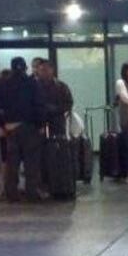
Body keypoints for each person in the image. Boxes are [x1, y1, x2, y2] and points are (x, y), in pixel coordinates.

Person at [0, 56, 43, 202]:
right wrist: (40, 125)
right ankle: (31, 192)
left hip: (10, 129)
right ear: (26, 67)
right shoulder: (32, 83)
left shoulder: (4, 84)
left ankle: (11, 193)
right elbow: (39, 105)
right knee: (31, 162)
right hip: (29, 127)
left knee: (12, 163)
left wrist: (2, 124)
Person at [35, 58, 75, 197]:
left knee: (59, 156)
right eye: (40, 70)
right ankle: (43, 185)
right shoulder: (34, 86)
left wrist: (54, 110)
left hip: (57, 125)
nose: (43, 72)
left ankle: (60, 186)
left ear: (52, 70)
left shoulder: (61, 86)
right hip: (38, 126)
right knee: (40, 157)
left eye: (45, 69)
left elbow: (68, 103)